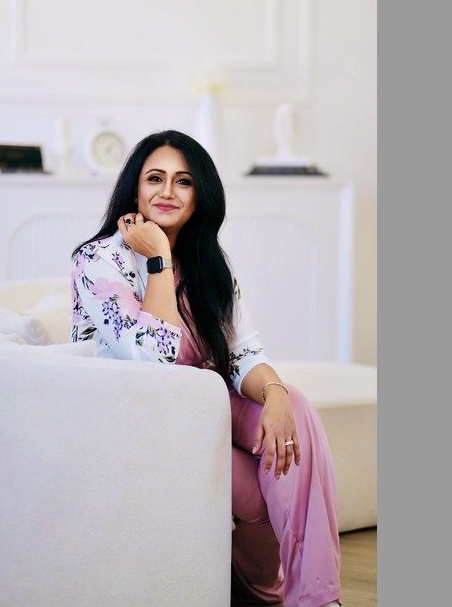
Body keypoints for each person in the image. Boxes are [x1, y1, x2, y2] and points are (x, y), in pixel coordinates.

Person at [69, 130, 341, 607]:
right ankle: (280, 590)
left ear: (200, 196)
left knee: (293, 408)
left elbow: (243, 354)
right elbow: (155, 361)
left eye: (183, 181)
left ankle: (319, 600)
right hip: (147, 420)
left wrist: (275, 393)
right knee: (261, 486)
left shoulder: (210, 264)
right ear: (135, 189)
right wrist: (157, 258)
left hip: (209, 409)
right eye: (155, 178)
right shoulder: (97, 260)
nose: (167, 191)